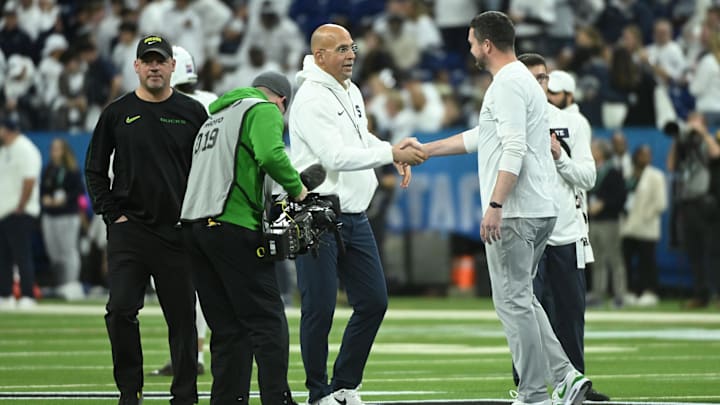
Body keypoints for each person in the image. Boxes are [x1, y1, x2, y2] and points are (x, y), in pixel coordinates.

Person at [421, 12, 591, 405]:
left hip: (517, 211)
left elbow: (512, 148)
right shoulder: (522, 82)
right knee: (524, 301)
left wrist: (495, 203)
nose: (469, 49)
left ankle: (534, 392)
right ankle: (565, 377)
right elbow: (486, 136)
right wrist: (428, 150)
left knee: (513, 303)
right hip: (538, 208)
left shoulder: (507, 85)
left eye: (471, 42)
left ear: (486, 44)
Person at [288, 23, 427, 405]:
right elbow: (334, 157)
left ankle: (345, 384)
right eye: (343, 49)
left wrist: (388, 148)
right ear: (320, 57)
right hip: (316, 214)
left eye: (352, 47)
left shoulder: (349, 91)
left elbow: (359, 138)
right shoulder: (312, 98)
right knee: (319, 307)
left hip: (353, 214)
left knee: (373, 301)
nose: (352, 55)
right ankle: (318, 394)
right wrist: (391, 155)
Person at [84, 34, 208, 405]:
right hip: (130, 231)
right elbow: (94, 169)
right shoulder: (116, 113)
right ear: (136, 66)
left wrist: (199, 220)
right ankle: (129, 391)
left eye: (160, 60)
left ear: (173, 66)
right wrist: (112, 213)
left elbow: (208, 170)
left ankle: (185, 395)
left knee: (183, 319)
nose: (154, 66)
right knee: (120, 309)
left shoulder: (193, 112)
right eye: (147, 60)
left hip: (178, 232)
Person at [180, 71, 304, 405]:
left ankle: (227, 400)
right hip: (231, 223)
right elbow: (270, 155)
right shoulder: (262, 109)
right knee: (267, 321)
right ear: (281, 100)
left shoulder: (216, 116)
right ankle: (277, 399)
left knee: (227, 328)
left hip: (195, 227)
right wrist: (299, 189)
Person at [513, 58, 609, 402]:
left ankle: (576, 384)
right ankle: (529, 388)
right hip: (527, 232)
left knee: (569, 315)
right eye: (533, 78)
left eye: (544, 79)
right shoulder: (508, 122)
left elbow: (588, 177)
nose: (539, 86)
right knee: (525, 312)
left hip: (566, 231)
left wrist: (560, 158)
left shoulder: (572, 123)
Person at [149, 44, 217, 378]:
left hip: (184, 204)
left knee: (182, 284)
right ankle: (196, 352)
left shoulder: (180, 105)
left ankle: (191, 354)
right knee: (199, 283)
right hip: (210, 202)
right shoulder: (212, 101)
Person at [0, 115, 41, 310]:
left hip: (20, 212)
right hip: (4, 212)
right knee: (4, 257)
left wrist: (21, 206)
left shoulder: (26, 149)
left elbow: (29, 180)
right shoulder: (4, 150)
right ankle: (5, 294)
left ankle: (27, 295)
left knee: (22, 255)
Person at [621, 145, 667, 307]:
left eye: (648, 154)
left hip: (647, 227)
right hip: (628, 226)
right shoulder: (629, 174)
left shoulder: (656, 176)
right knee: (627, 261)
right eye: (642, 154)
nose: (645, 158)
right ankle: (632, 291)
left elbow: (661, 203)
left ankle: (650, 291)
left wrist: (645, 216)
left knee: (647, 261)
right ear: (636, 156)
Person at [40, 137, 85, 301]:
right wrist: (45, 199)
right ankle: (61, 284)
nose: (54, 152)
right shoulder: (48, 169)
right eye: (52, 149)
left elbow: (78, 192)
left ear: (64, 151)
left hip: (68, 214)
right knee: (54, 252)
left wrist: (65, 199)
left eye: (57, 149)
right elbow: (43, 189)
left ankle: (71, 284)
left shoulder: (72, 170)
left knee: (69, 251)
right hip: (50, 215)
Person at [587, 139, 629, 308]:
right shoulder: (590, 170)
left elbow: (621, 197)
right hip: (593, 221)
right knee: (596, 260)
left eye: (593, 148)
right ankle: (598, 293)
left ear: (601, 152)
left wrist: (604, 204)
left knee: (614, 258)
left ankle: (620, 294)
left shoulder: (613, 172)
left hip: (609, 221)